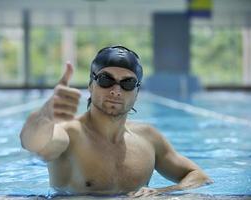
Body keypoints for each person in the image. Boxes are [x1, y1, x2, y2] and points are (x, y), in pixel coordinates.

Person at [20, 45, 212, 197]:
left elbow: (200, 176)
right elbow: (33, 142)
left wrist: (164, 193)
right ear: (91, 86)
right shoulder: (69, 134)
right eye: (105, 79)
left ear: (136, 93)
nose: (116, 90)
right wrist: (46, 113)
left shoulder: (149, 138)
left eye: (127, 83)